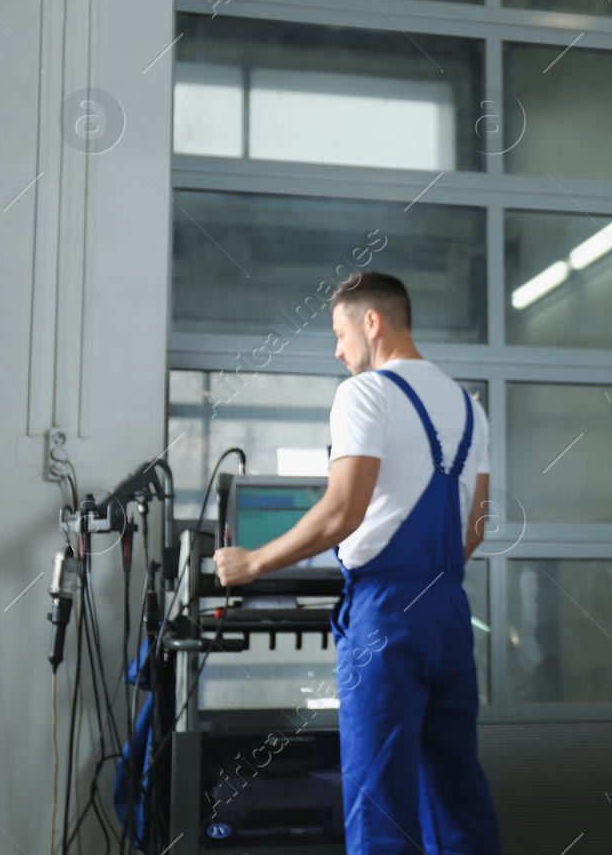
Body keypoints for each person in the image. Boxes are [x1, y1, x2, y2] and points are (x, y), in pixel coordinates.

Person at [214, 270, 503, 855]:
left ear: (371, 322)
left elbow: (341, 512)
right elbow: (474, 528)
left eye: (340, 333)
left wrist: (251, 565)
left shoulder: (364, 393)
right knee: (455, 792)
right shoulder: (470, 408)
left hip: (386, 617)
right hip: (448, 611)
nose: (339, 350)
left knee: (379, 803)